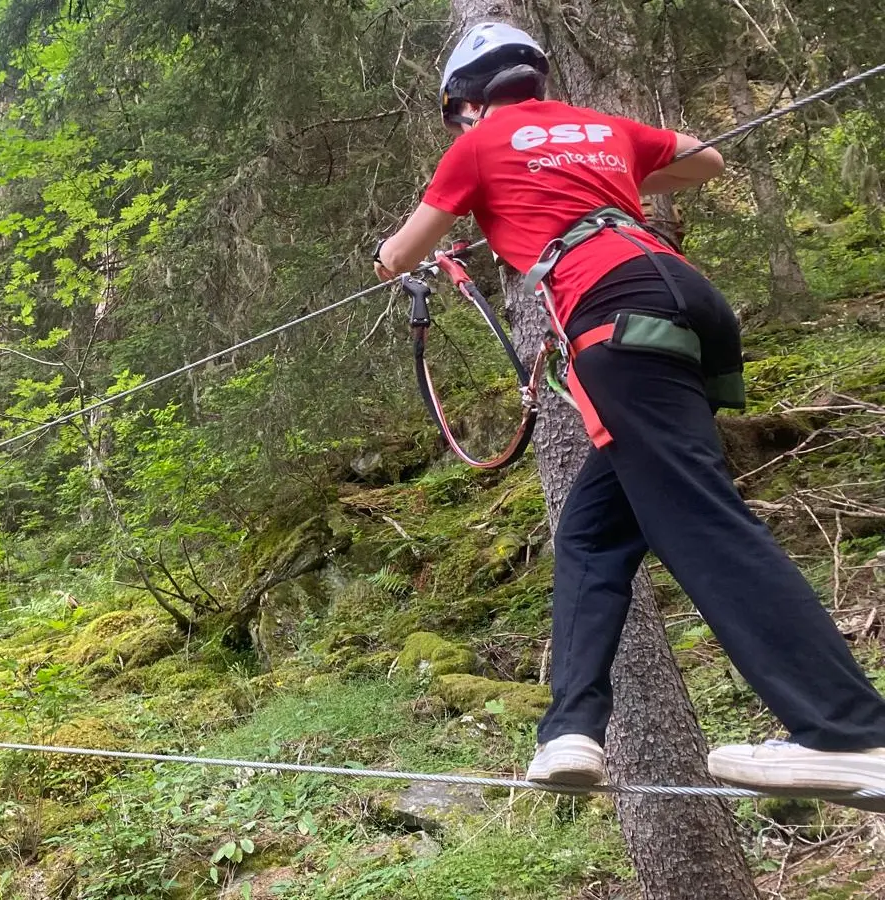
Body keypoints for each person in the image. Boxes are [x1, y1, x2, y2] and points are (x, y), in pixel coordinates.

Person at [373, 22, 885, 799]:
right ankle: (571, 730)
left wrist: (404, 252)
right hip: (679, 295)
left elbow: (400, 254)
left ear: (468, 101)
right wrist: (604, 179)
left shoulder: (478, 145)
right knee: (591, 533)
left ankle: (849, 731)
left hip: (615, 309)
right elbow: (706, 160)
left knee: (698, 518)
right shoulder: (601, 127)